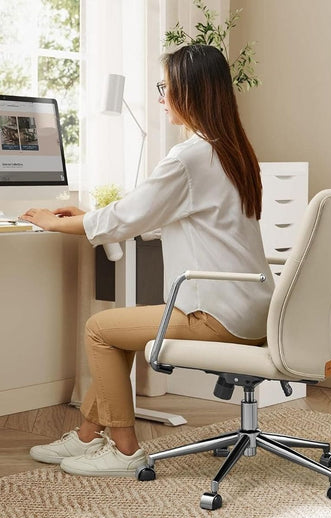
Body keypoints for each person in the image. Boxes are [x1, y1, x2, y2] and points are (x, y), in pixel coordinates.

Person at [20, 44, 274, 478]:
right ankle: (85, 435)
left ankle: (124, 449)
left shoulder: (190, 156)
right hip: (255, 310)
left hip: (215, 314)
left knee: (100, 329)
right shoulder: (233, 151)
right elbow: (165, 216)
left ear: (190, 93)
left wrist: (55, 223)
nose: (161, 98)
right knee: (120, 332)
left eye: (166, 87)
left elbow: (128, 215)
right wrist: (87, 218)